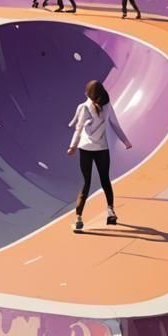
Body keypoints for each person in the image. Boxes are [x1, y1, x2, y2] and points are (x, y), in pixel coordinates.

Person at [68, 80, 130, 233]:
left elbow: (78, 129)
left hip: (86, 149)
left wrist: (72, 146)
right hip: (102, 149)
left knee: (86, 183)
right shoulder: (107, 106)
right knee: (105, 180)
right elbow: (115, 124)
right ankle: (110, 211)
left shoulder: (83, 107)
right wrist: (126, 141)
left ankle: (78, 219)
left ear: (88, 94)